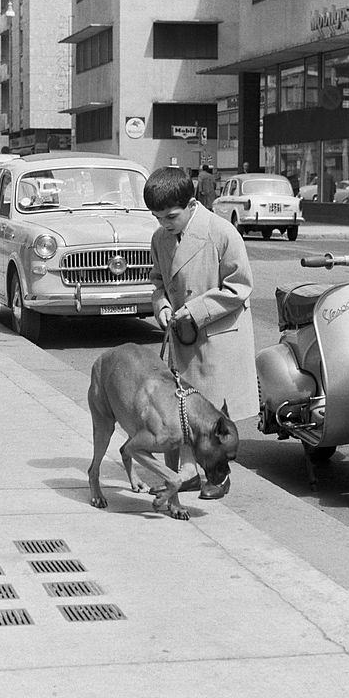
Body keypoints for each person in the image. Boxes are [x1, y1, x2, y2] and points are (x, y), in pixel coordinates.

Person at [144, 167, 258, 478]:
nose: (164, 224)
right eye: (158, 218)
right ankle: (189, 471)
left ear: (193, 205)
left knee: (213, 417)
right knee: (185, 408)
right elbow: (157, 282)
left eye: (171, 216)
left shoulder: (222, 233)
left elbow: (240, 286)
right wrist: (162, 305)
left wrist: (195, 309)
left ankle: (217, 478)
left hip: (218, 337)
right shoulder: (160, 238)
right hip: (184, 336)